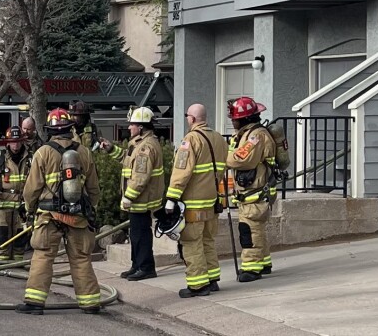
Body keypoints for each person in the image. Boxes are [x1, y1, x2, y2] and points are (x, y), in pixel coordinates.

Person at [17, 108, 102, 315]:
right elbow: (93, 188)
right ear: (70, 128)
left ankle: (35, 303)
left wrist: (29, 209)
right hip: (78, 216)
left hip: (49, 216)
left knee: (43, 256)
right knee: (81, 258)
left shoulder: (43, 152)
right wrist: (91, 210)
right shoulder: (84, 152)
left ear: (49, 130)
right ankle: (90, 303)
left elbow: (32, 189)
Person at [166, 103, 228, 297]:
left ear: (192, 118)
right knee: (208, 240)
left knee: (192, 243)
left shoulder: (191, 139)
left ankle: (198, 285)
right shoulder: (218, 138)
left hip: (193, 204)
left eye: (187, 116)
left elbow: (181, 171)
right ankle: (212, 279)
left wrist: (171, 197)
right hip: (212, 201)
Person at [100, 107, 165, 281]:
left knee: (141, 235)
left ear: (141, 127)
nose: (129, 127)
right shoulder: (138, 144)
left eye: (132, 124)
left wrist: (128, 196)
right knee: (135, 234)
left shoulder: (146, 147)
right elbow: (127, 160)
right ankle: (137, 265)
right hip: (139, 200)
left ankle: (146, 268)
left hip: (141, 200)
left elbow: (140, 177)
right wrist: (111, 149)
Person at [226, 97, 277, 282]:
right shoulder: (247, 134)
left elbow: (240, 159)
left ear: (245, 119)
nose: (233, 122)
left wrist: (225, 157)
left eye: (235, 119)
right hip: (254, 191)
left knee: (249, 228)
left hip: (255, 191)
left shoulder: (255, 136)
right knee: (257, 228)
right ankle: (264, 262)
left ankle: (252, 268)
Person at [0, 125, 30, 262]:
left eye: (18, 142)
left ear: (22, 141)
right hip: (3, 205)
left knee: (20, 236)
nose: (15, 145)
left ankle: (17, 263)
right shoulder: (0, 159)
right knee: (2, 236)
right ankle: (1, 263)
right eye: (12, 142)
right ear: (8, 143)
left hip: (21, 206)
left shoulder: (30, 159)